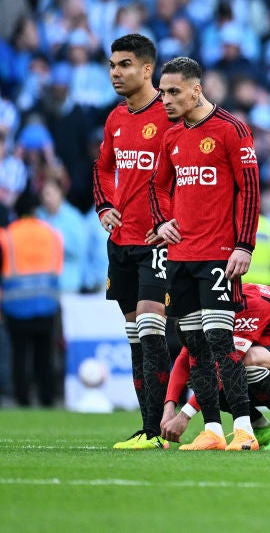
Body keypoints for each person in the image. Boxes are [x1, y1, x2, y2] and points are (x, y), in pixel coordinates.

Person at [149, 56, 261, 451]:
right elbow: (157, 187)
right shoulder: (171, 136)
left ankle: (244, 430)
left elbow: (250, 189)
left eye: (174, 91)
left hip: (218, 254)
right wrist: (163, 221)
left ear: (196, 90)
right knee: (193, 345)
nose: (165, 99)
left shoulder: (231, 129)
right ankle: (212, 430)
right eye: (162, 92)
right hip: (180, 256)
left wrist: (244, 245)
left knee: (221, 342)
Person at [92, 33, 174, 449]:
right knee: (135, 334)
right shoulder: (116, 119)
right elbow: (103, 168)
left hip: (157, 241)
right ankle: (149, 426)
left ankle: (156, 429)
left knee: (150, 324)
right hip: (121, 241)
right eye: (111, 65)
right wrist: (105, 206)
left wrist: (174, 219)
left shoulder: (171, 113)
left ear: (147, 69)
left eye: (124, 64)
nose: (115, 73)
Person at [160, 282, 270, 450]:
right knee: (198, 372)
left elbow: (229, 363)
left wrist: (185, 415)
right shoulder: (215, 302)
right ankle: (260, 427)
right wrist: (169, 406)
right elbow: (187, 355)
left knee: (238, 362)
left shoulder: (249, 304)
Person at [0, 189, 62, 407]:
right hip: (47, 304)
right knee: (44, 356)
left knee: (19, 355)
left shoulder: (6, 236)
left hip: (15, 306)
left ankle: (23, 399)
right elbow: (57, 268)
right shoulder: (52, 233)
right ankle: (47, 399)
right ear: (36, 209)